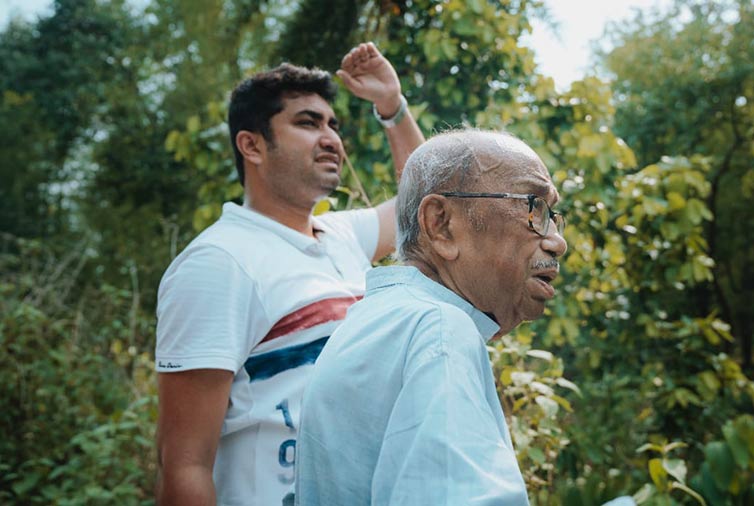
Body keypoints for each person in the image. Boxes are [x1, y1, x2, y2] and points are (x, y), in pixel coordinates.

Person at [154, 42, 425, 506]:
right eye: (307, 123)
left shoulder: (342, 235)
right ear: (252, 145)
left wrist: (391, 107)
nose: (331, 138)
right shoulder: (219, 263)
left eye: (332, 125)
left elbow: (422, 200)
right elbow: (184, 466)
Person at [294, 130, 568, 505]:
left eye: (553, 216)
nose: (557, 241)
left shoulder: (374, 320)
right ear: (441, 224)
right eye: (533, 207)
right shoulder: (438, 329)